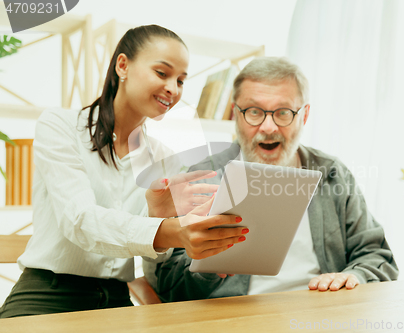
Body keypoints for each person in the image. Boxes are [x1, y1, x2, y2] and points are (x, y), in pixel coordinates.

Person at [0, 25, 247, 318]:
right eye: (162, 73)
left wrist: (166, 223)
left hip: (117, 298)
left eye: (181, 80)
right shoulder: (60, 126)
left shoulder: (164, 158)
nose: (173, 88)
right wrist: (168, 230)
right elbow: (80, 221)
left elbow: (153, 258)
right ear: (122, 65)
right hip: (47, 295)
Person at [144, 57, 398, 302]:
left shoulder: (332, 173)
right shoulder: (202, 177)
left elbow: (377, 255)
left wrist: (355, 276)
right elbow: (169, 288)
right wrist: (205, 268)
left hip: (320, 315)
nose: (268, 127)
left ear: (304, 116)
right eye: (254, 112)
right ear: (235, 114)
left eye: (283, 112)